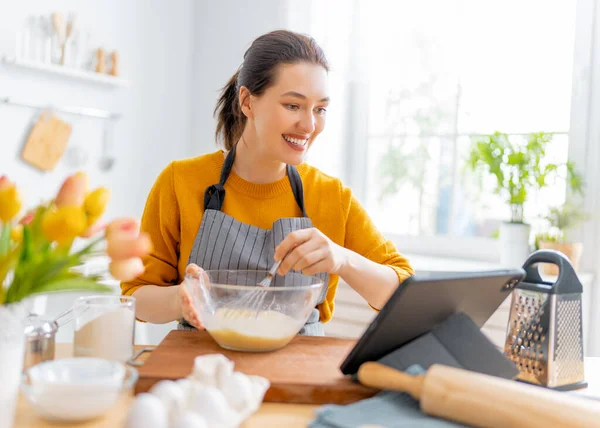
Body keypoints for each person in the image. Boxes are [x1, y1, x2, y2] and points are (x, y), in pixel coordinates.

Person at [121, 30, 414, 335]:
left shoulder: (331, 196)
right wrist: (179, 300)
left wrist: (342, 259)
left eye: (320, 109)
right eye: (292, 105)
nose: (309, 125)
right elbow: (135, 296)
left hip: (300, 370)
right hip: (203, 373)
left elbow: (404, 293)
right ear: (247, 102)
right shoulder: (180, 181)